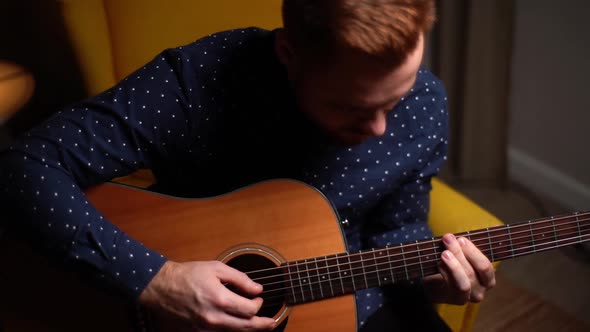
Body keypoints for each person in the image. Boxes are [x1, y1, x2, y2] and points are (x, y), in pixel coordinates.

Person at [0, 0, 496, 331]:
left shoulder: (426, 102)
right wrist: (156, 279)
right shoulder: (199, 81)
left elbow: (397, 230)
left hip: (359, 304)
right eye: (352, 108)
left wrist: (436, 280)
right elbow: (24, 165)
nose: (381, 128)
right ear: (289, 53)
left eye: (396, 98)